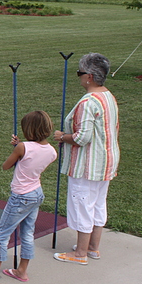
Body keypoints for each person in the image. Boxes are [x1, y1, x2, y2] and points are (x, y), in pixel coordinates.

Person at [0, 110, 57, 284]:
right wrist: (21, 148)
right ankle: (22, 270)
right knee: (27, 232)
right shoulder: (52, 151)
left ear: (29, 130)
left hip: (20, 196)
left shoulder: (22, 147)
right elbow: (32, 159)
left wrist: (18, 149)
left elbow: (6, 166)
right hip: (36, 194)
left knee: (2, 232)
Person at [53, 53, 120, 265]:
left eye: (80, 73)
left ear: (89, 77)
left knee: (82, 203)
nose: (79, 77)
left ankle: (80, 253)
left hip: (87, 165)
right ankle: (92, 248)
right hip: (106, 162)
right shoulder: (108, 96)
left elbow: (82, 137)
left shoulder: (88, 102)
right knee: (98, 204)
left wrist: (61, 137)